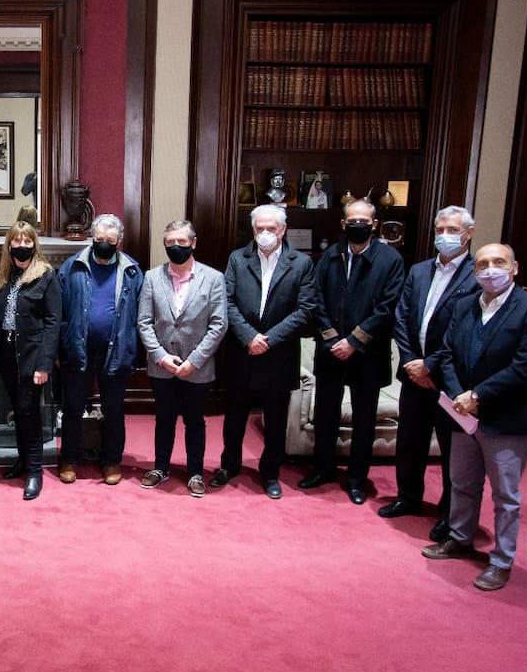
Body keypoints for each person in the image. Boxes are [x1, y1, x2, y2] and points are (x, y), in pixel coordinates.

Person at [421, 243, 527, 591]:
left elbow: (526, 366)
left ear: (514, 268)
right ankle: (460, 538)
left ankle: (501, 560)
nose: (490, 269)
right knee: (462, 483)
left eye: (498, 263)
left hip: (505, 419)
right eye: (483, 264)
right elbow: (447, 353)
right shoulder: (465, 306)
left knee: (506, 497)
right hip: (463, 415)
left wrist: (478, 395)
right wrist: (458, 396)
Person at [379, 206, 480, 540]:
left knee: (454, 448)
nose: (444, 235)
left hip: (449, 377)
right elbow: (402, 315)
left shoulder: (475, 273)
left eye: (452, 229)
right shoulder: (420, 270)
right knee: (410, 440)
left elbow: (464, 329)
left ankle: (449, 512)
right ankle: (408, 497)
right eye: (440, 228)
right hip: (413, 373)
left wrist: (431, 365)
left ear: (468, 233)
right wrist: (411, 361)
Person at [299, 198, 405, 504]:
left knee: (363, 420)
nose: (358, 225)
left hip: (367, 353)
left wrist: (354, 342)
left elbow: (388, 307)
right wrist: (333, 340)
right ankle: (324, 469)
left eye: (364, 221)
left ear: (373, 224)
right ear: (344, 224)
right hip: (331, 350)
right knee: (326, 414)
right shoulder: (330, 255)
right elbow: (315, 299)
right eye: (352, 221)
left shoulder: (390, 260)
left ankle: (357, 478)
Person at [215, 204, 316, 499]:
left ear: (283, 230)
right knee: (234, 420)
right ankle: (229, 466)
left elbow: (305, 309)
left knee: (275, 423)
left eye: (271, 228)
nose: (265, 234)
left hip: (278, 355)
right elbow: (227, 302)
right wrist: (249, 336)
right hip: (242, 352)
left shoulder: (301, 263)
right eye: (260, 228)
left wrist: (268, 339)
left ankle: (270, 473)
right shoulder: (238, 258)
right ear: (253, 229)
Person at [136, 220, 226, 496]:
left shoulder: (213, 278)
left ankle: (195, 472)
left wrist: (195, 360)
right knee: (163, 418)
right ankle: (160, 467)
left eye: (182, 243)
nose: (176, 247)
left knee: (194, 421)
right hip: (161, 366)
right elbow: (144, 322)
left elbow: (218, 324)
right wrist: (161, 356)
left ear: (193, 243)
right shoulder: (152, 277)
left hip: (196, 367)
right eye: (170, 243)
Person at [57, 214, 142, 485]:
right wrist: (60, 349)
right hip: (77, 349)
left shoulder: (132, 271)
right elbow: (59, 312)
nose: (104, 243)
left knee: (113, 408)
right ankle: (70, 458)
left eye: (110, 239)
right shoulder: (71, 268)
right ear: (92, 238)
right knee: (72, 407)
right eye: (100, 239)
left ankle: (111, 460)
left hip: (115, 351)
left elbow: (140, 316)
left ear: (119, 241)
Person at [0, 220, 61, 500]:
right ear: (9, 245)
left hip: (33, 358)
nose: (22, 246)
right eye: (17, 241)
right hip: (7, 354)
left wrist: (44, 364)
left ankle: (35, 471)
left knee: (29, 412)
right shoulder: (4, 277)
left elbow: (53, 322)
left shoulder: (46, 276)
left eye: (27, 241)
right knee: (18, 412)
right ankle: (23, 460)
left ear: (35, 245)